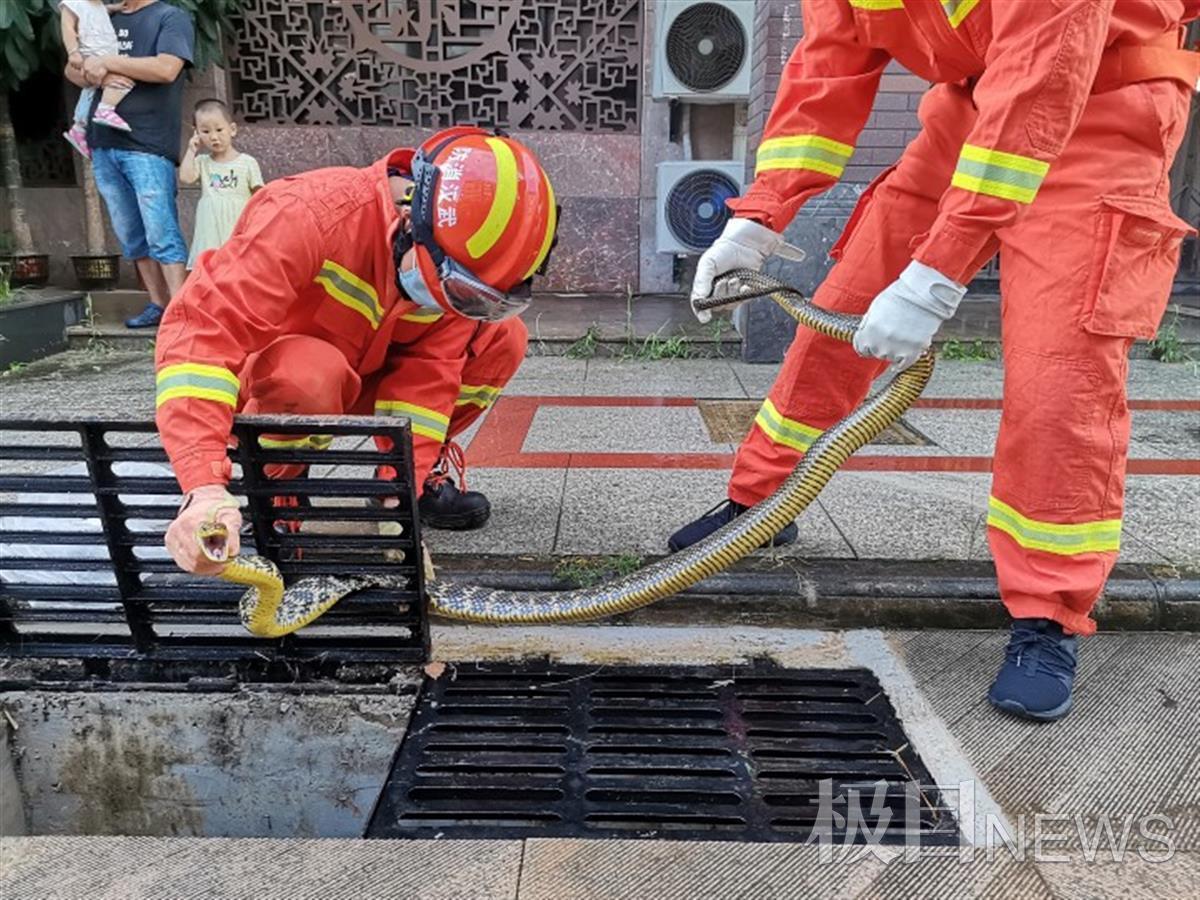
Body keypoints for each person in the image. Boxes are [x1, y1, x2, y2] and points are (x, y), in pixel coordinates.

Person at [671, 1, 1199, 722]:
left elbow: (1042, 82)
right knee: (841, 315)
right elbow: (827, 69)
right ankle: (762, 503)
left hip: (1103, 110)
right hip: (976, 108)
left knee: (1058, 382)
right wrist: (758, 219)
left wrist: (934, 277)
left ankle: (1047, 614)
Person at [157, 127, 559, 575]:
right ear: (410, 219)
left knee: (503, 339)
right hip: (281, 381)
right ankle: (277, 488)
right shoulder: (305, 213)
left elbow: (428, 381)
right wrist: (202, 486)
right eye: (461, 293)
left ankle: (408, 478)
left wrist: (398, 498)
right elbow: (204, 334)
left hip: (365, 373)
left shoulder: (452, 271)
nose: (458, 306)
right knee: (306, 373)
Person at [63, 0, 195, 330]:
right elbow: (71, 70)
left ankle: (182, 311)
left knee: (161, 230)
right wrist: (99, 75)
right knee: (130, 235)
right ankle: (158, 304)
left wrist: (107, 62)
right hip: (102, 143)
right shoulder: (104, 16)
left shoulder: (170, 17)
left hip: (147, 144)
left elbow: (167, 68)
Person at [179, 98, 265, 270]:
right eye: (205, 131)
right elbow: (186, 178)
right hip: (210, 230)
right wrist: (191, 150)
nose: (213, 137)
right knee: (210, 270)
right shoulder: (203, 162)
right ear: (197, 133)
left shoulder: (247, 162)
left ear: (232, 129)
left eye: (219, 130)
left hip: (237, 227)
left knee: (238, 269)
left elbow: (261, 196)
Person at [60, 0, 135, 158]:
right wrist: (73, 52)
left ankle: (79, 128)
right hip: (92, 54)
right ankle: (106, 109)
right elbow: (67, 27)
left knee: (91, 89)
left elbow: (96, 13)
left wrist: (113, 8)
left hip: (103, 53)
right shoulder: (73, 3)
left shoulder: (97, 5)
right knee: (122, 79)